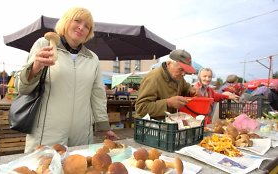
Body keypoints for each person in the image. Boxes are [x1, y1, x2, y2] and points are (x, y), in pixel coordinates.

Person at [14, 7, 119, 153]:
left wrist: (104, 126)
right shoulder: (44, 44)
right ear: (65, 22)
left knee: (79, 167)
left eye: (87, 26)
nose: (81, 27)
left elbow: (98, 94)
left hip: (82, 134)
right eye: (77, 21)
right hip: (47, 133)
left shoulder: (92, 58)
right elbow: (22, 88)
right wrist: (35, 68)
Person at [135, 49, 197, 117]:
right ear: (169, 63)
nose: (183, 74)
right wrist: (168, 103)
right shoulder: (153, 78)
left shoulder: (179, 77)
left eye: (185, 71)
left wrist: (191, 90)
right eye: (181, 69)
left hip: (170, 122)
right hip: (152, 124)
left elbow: (186, 87)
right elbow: (141, 108)